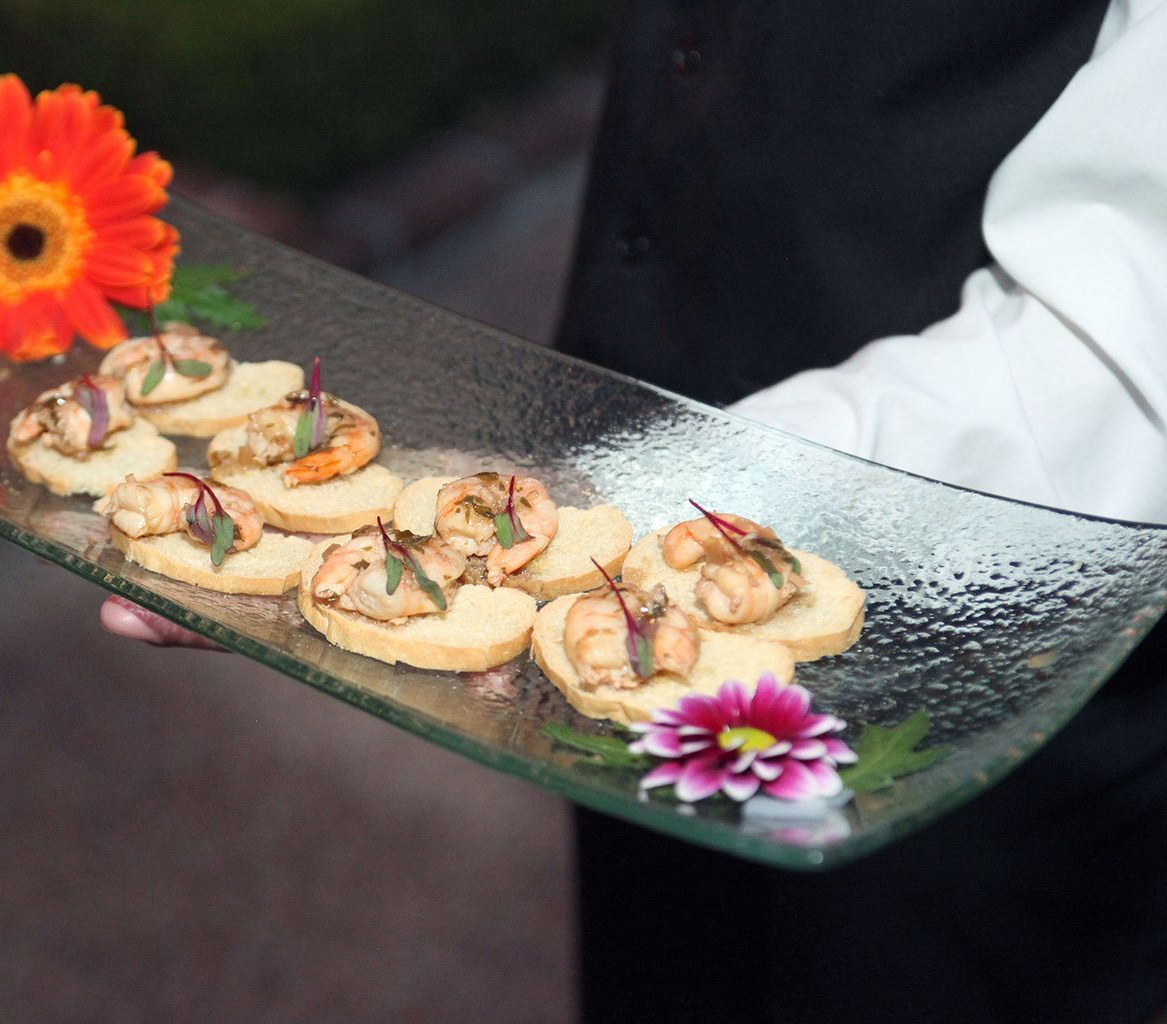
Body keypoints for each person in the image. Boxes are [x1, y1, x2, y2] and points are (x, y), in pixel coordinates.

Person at [105, 0, 1167, 1018]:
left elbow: (1123, 318)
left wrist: (637, 495)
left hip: (991, 630)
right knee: (664, 965)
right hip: (630, 431)